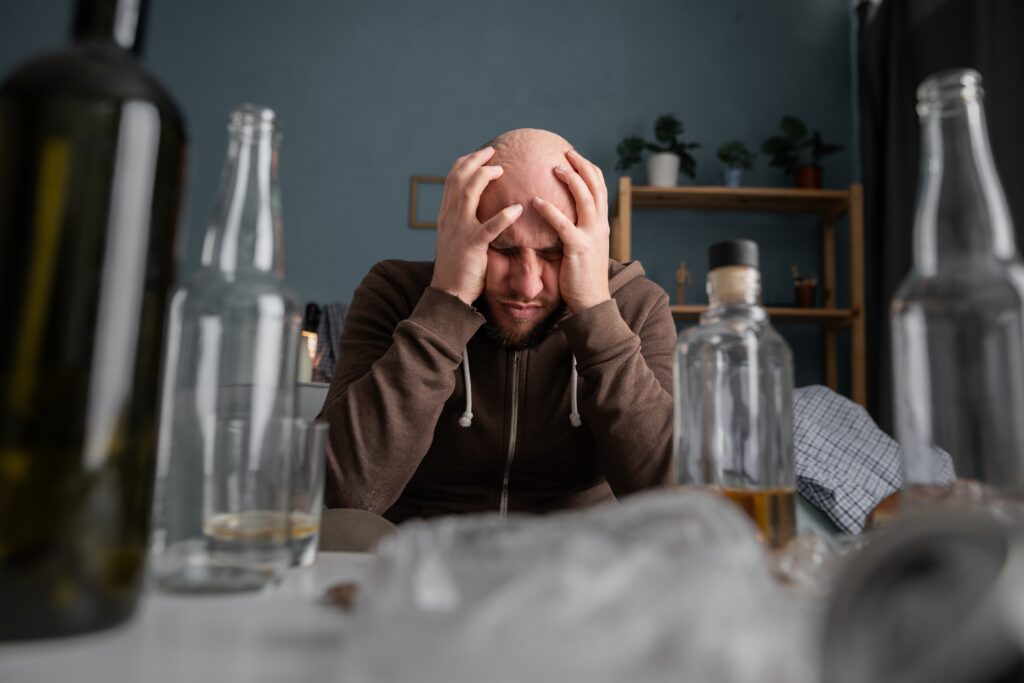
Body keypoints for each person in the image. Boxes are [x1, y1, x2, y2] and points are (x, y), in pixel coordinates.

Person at [320, 128, 676, 523]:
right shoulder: (394, 292)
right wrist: (447, 301)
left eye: (555, 253)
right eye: (502, 247)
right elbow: (344, 493)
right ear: (459, 230)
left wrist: (595, 311)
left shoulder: (638, 305)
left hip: (582, 563)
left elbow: (677, 499)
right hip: (423, 558)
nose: (527, 285)